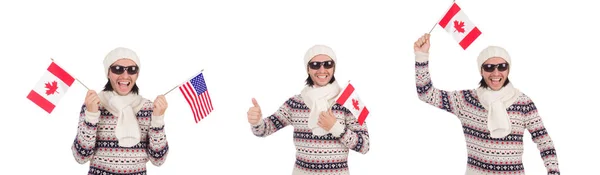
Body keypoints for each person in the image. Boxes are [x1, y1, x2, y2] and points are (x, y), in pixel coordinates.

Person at [413, 33, 560, 175]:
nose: (496, 73)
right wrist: (421, 56)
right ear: (481, 71)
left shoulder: (523, 103)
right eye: (489, 67)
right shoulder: (466, 100)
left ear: (508, 69)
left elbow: (544, 141)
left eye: (502, 66)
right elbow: (426, 94)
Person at [247, 45, 370, 175]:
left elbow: (365, 146)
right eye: (315, 65)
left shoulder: (347, 100)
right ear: (308, 69)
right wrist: (256, 122)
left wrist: (336, 128)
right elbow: (264, 130)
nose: (322, 70)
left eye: (328, 64)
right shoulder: (295, 103)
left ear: (334, 68)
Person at [71, 47, 170, 175]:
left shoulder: (149, 108)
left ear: (137, 74)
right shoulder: (94, 104)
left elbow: (158, 160)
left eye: (132, 70)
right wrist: (91, 116)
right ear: (108, 72)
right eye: (117, 69)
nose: (125, 76)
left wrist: (158, 119)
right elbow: (80, 157)